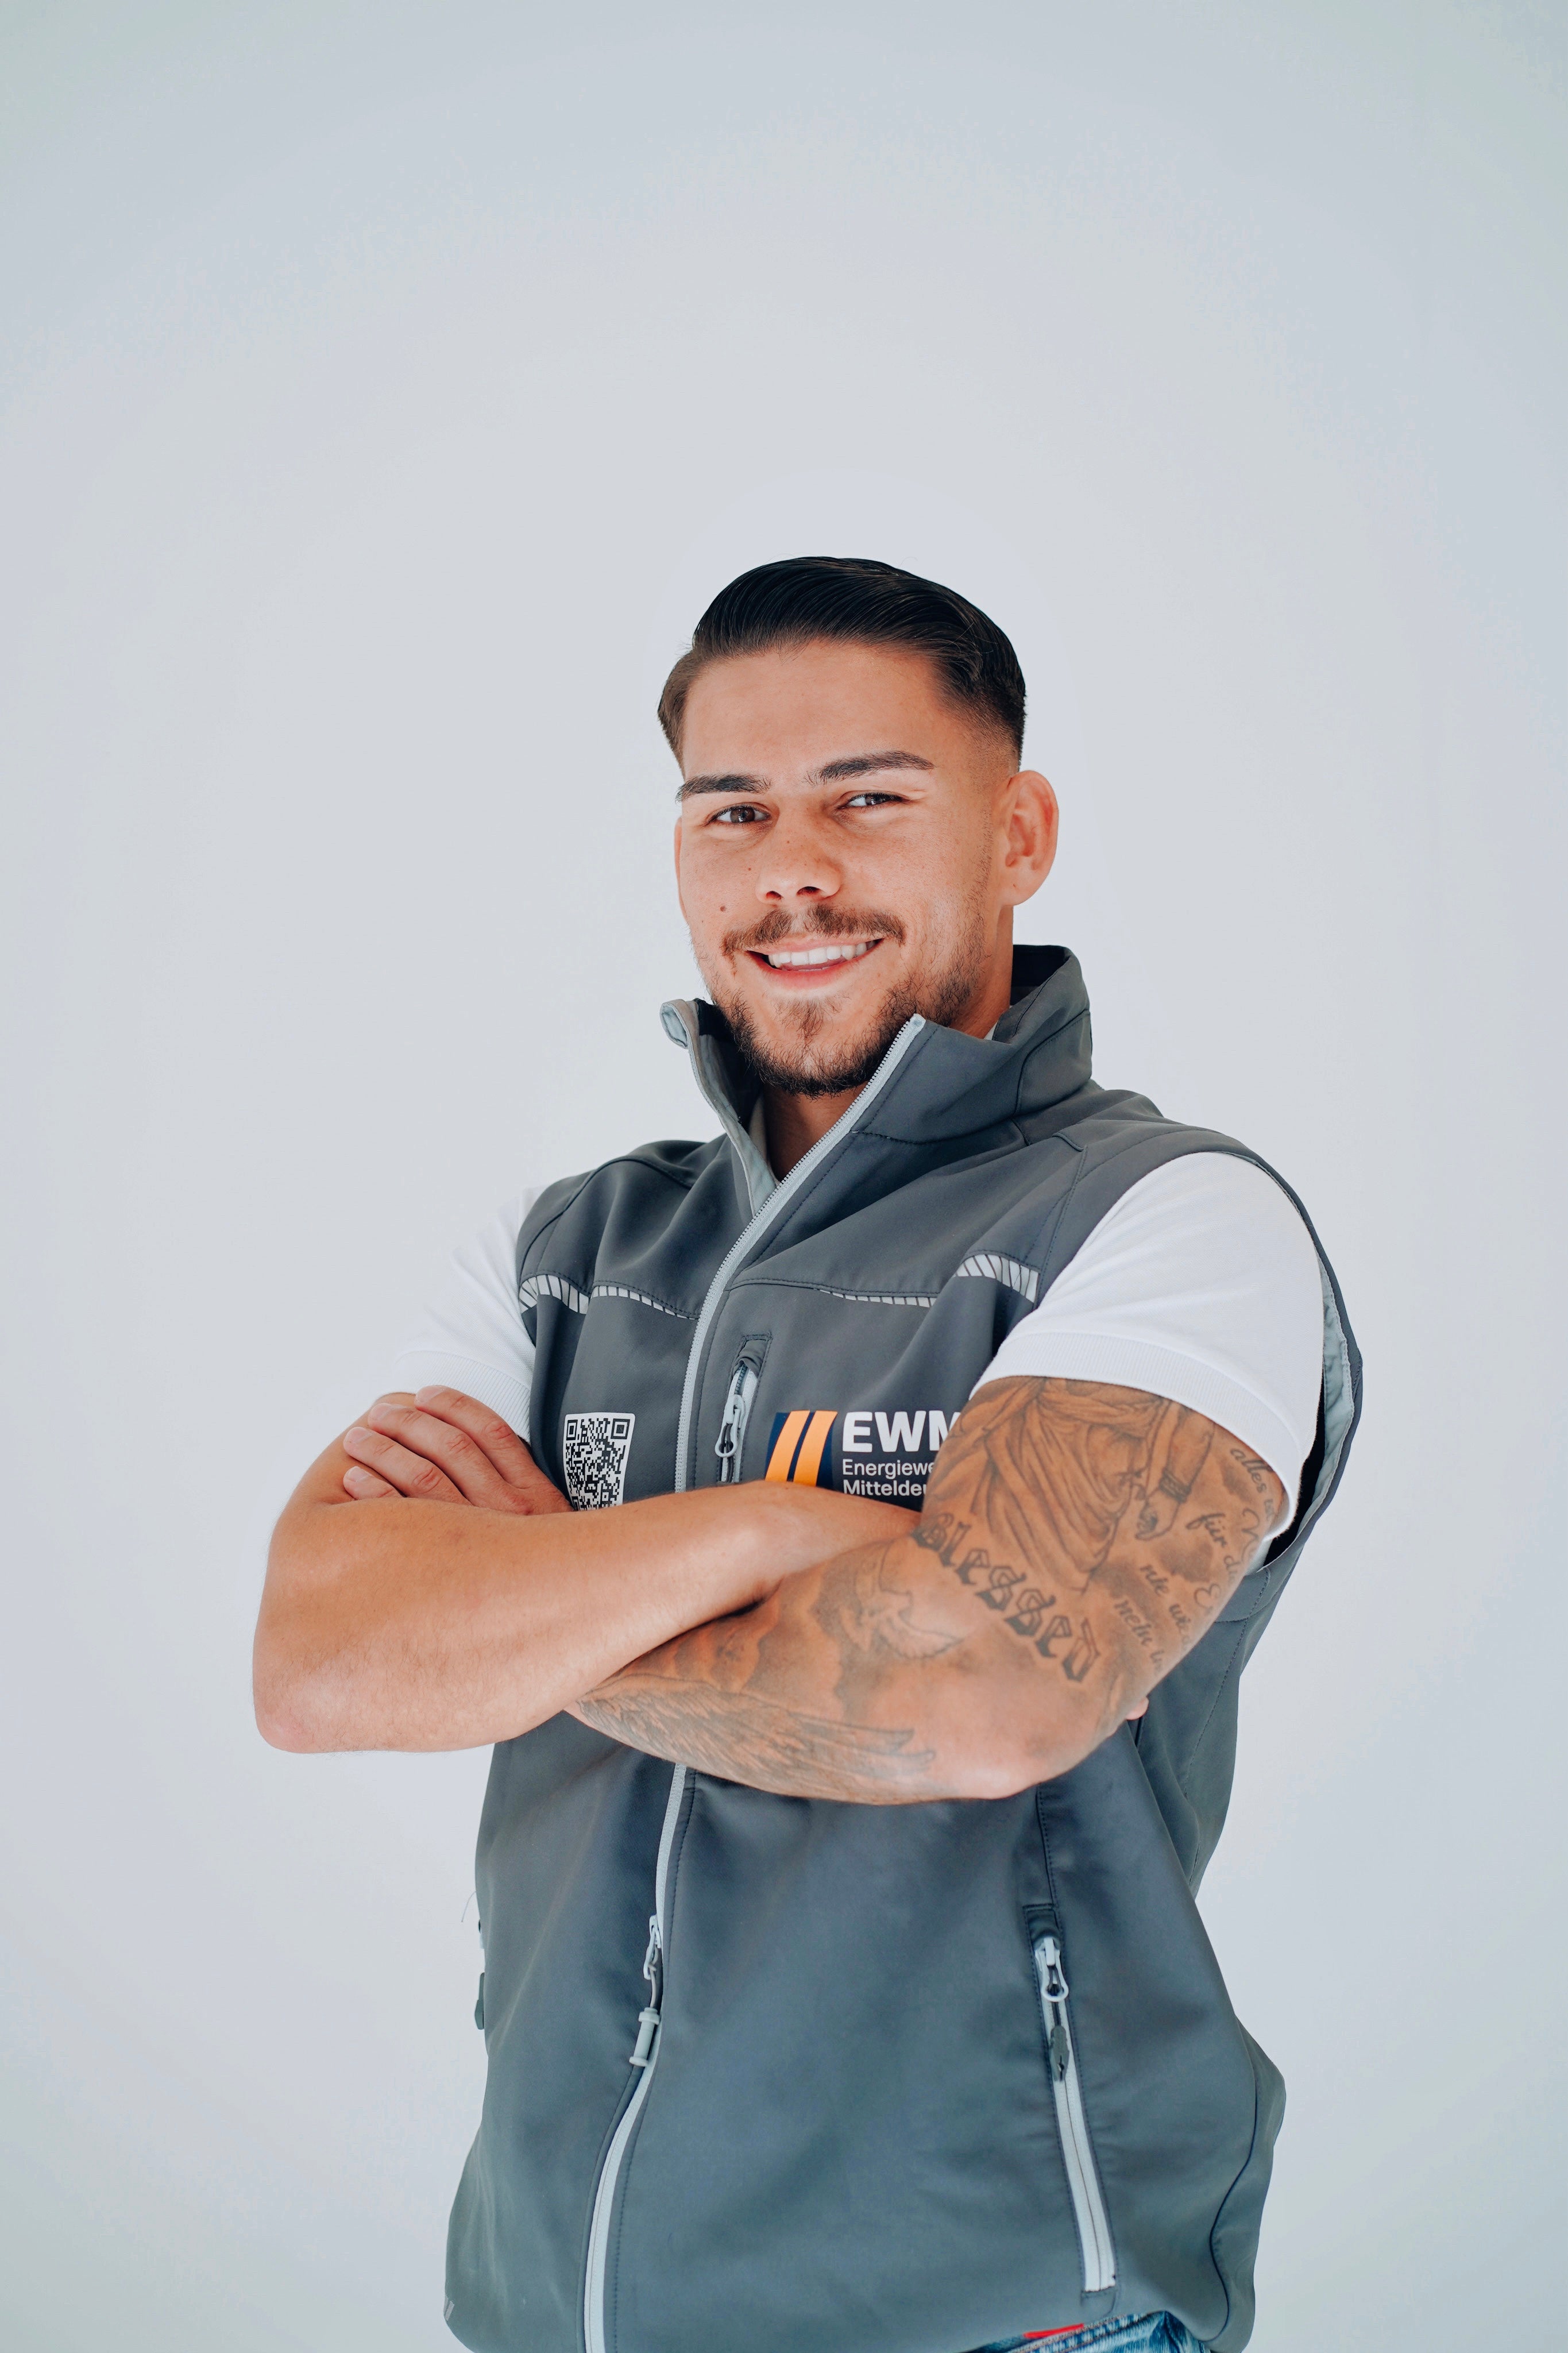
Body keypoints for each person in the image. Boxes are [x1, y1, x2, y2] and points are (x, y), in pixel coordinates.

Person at [255, 557, 1361, 2353]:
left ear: (1018, 833)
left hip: (1001, 2310)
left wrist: (509, 1620)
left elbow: (981, 1699)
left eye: (867, 800)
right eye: (734, 810)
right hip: (551, 2293)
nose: (793, 870)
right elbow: (315, 1667)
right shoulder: (564, 1249)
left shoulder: (1161, 1219)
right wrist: (773, 1531)